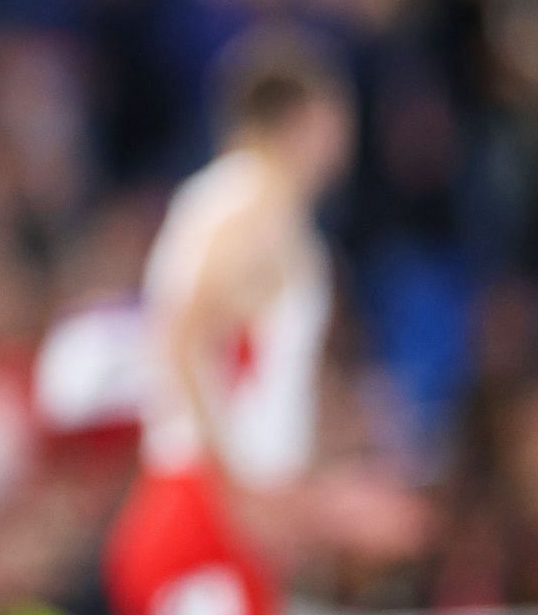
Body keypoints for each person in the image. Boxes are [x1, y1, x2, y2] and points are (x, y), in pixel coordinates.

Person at [103, 32, 359, 615]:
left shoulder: (240, 203)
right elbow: (184, 341)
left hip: (223, 499)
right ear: (314, 118)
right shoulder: (251, 212)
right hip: (206, 505)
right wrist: (237, 489)